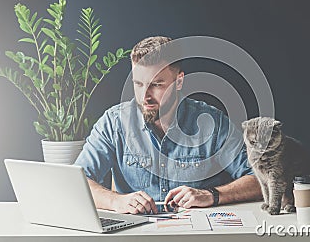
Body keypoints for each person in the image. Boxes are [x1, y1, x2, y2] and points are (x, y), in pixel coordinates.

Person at [75, 36, 262, 214]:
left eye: (156, 85)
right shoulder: (113, 122)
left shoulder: (212, 123)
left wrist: (212, 195)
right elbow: (77, 180)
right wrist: (116, 201)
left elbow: (260, 179)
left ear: (179, 81)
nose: (144, 96)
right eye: (138, 84)